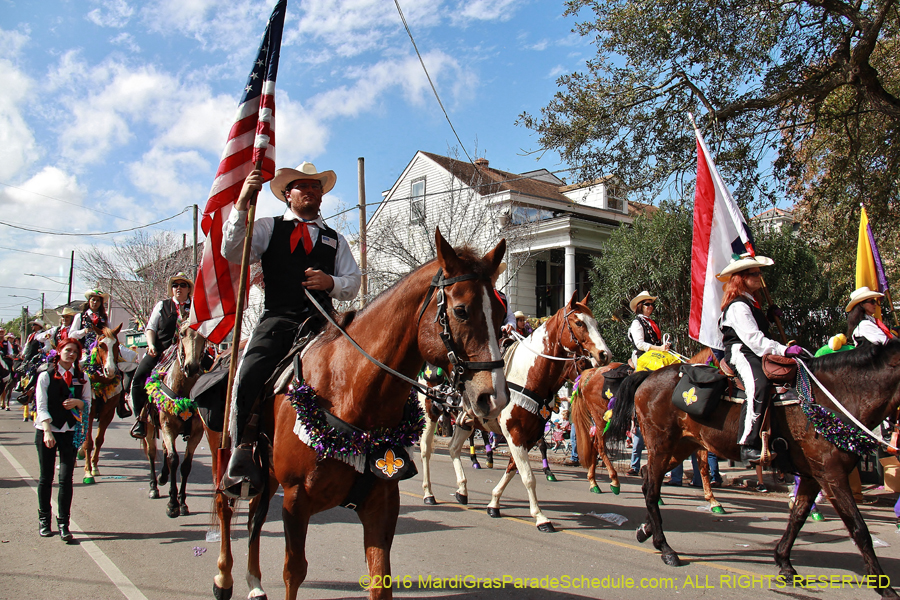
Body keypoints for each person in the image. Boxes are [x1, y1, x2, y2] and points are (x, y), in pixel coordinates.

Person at [221, 162, 361, 488]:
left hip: (323, 323)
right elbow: (232, 250)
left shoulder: (335, 239)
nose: (311, 192)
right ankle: (242, 451)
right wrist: (242, 201)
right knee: (249, 372)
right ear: (288, 194)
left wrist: (330, 282)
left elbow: (352, 282)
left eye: (316, 187)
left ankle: (364, 449)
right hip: (279, 318)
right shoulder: (268, 227)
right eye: (303, 187)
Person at [717, 254, 804, 464]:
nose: (759, 276)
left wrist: (768, 317)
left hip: (755, 352)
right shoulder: (738, 306)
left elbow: (758, 332)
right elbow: (754, 340)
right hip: (742, 353)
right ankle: (748, 443)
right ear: (741, 278)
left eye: (758, 272)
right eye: (754, 273)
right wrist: (784, 350)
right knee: (760, 385)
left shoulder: (750, 303)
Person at [34, 337, 90, 541]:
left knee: (66, 479)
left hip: (70, 430)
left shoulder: (82, 377)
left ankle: (64, 523)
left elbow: (87, 404)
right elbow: (41, 406)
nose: (71, 354)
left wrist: (78, 402)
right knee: (46, 477)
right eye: (68, 350)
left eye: (75, 351)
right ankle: (44, 520)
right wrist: (47, 431)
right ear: (59, 351)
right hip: (47, 430)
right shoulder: (47, 375)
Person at [130, 272, 193, 439]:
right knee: (138, 378)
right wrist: (151, 344)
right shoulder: (162, 305)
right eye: (175, 285)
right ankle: (140, 420)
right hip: (162, 351)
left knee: (211, 377)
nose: (178, 288)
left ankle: (201, 422)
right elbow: (151, 328)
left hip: (187, 353)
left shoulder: (195, 307)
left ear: (189, 289)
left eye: (183, 285)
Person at [627, 291, 671, 368]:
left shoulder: (651, 322)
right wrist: (659, 348)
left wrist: (665, 346)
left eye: (652, 304)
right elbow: (640, 344)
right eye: (647, 304)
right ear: (640, 306)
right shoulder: (636, 323)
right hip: (642, 356)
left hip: (656, 354)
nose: (651, 306)